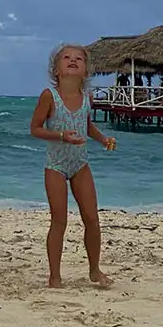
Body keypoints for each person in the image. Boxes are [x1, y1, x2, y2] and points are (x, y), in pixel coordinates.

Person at [29, 43, 116, 289]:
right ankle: (55, 276)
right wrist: (60, 136)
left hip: (80, 164)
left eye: (79, 58)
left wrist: (103, 139)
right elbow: (35, 129)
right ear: (56, 69)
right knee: (59, 220)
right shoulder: (49, 96)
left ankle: (94, 270)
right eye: (66, 57)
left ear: (86, 70)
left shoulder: (86, 97)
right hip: (55, 165)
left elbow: (86, 126)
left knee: (92, 218)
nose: (73, 60)